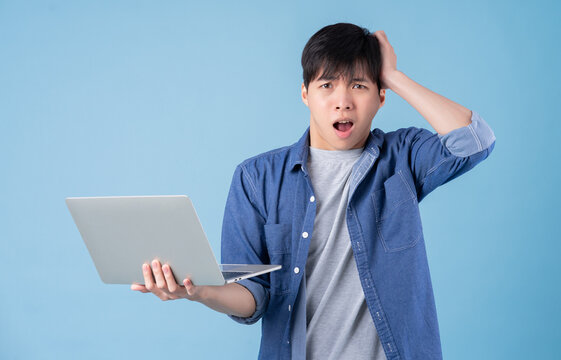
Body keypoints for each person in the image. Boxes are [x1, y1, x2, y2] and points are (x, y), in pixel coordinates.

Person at [131, 22, 496, 360]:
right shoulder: (257, 178)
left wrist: (395, 76)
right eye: (327, 85)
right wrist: (198, 291)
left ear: (381, 97)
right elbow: (253, 296)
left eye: (359, 85)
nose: (343, 101)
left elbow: (475, 141)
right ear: (305, 94)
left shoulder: (402, 158)